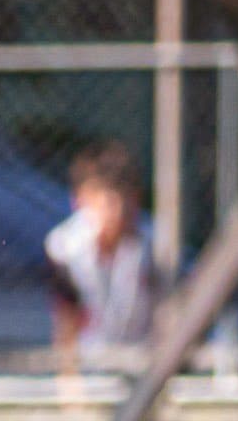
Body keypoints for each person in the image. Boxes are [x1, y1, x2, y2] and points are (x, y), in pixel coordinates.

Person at [45, 140, 157, 372]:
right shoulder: (64, 247)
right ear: (81, 200)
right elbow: (67, 322)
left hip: (146, 364)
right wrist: (71, 390)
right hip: (91, 367)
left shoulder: (156, 245)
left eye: (126, 201)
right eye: (107, 202)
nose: (118, 212)